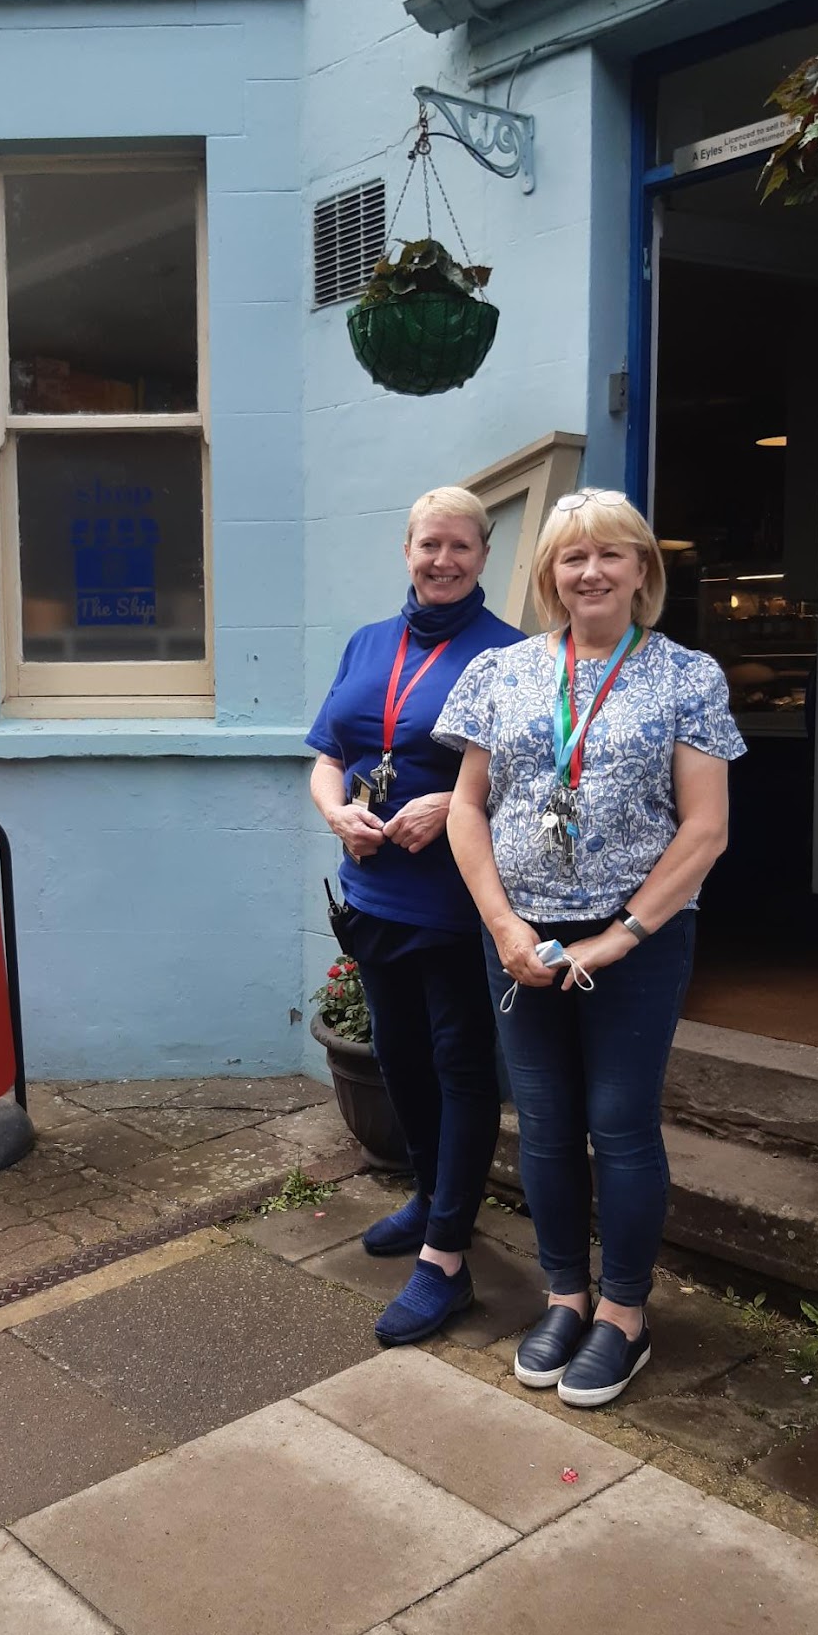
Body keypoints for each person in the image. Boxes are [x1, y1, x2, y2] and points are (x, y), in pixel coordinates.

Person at [435, 487, 744, 1406]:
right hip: (522, 940)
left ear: (642, 569)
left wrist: (618, 939)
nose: (592, 571)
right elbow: (466, 807)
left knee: (620, 1126)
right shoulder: (504, 672)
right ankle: (564, 1294)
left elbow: (704, 831)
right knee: (543, 1125)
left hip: (637, 942)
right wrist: (504, 927)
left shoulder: (688, 676)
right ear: (549, 576)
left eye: (612, 554)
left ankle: (624, 1314)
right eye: (573, 557)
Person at [307, 486, 524, 1344]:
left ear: (483, 556)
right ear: (407, 550)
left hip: (455, 898)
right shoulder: (367, 644)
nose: (444, 561)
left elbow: (534, 783)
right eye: (429, 545)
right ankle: (435, 1200)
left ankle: (446, 1262)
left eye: (461, 547)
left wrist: (448, 806)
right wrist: (335, 813)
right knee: (397, 1055)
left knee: (459, 1064)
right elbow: (330, 756)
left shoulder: (512, 655)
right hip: (370, 891)